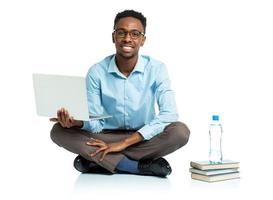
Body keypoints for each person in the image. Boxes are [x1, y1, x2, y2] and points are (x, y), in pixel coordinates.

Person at [50, 10, 190, 177]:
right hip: (105, 137)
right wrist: (77, 123)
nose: (127, 39)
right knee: (58, 131)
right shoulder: (97, 71)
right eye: (121, 32)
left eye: (135, 34)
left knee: (180, 132)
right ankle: (134, 166)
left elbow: (169, 114)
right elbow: (96, 123)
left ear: (143, 40)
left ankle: (97, 161)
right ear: (113, 37)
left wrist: (124, 143)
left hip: (143, 137)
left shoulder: (157, 69)